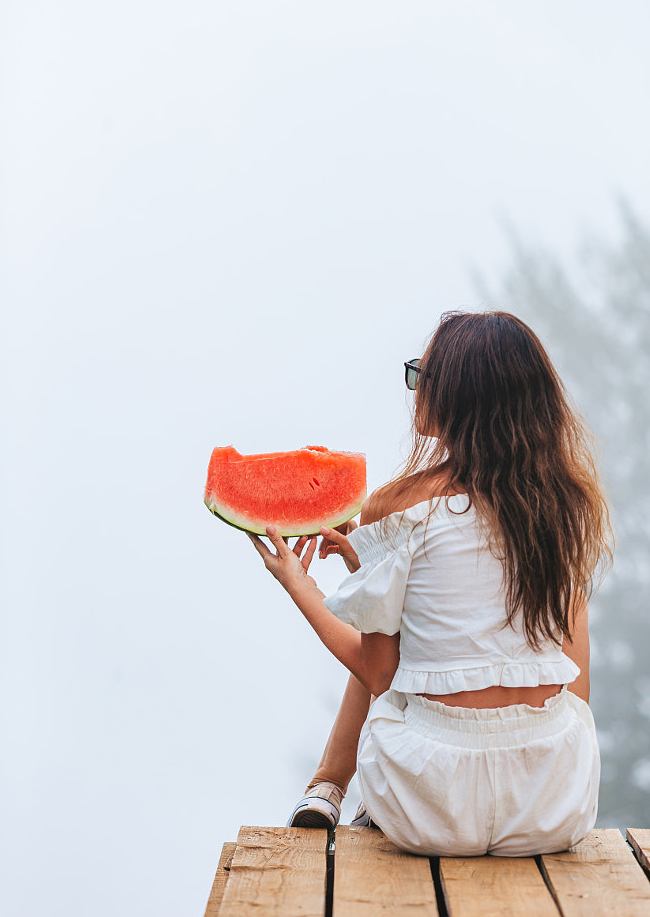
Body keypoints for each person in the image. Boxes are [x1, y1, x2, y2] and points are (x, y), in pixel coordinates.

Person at [248, 310, 612, 856]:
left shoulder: (400, 505)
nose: (414, 387)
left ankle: (329, 785)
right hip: (552, 803)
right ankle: (329, 785)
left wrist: (297, 581)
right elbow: (573, 684)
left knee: (389, 636)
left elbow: (378, 672)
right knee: (399, 621)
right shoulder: (562, 510)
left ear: (458, 394)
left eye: (422, 373)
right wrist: (369, 569)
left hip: (430, 807)